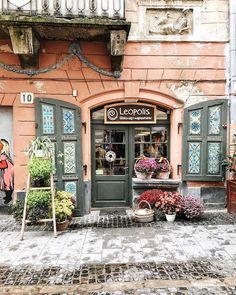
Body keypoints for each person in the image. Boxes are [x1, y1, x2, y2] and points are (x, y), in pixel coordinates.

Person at [0, 139, 14, 204]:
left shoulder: (3, 155)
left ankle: (9, 198)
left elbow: (4, 165)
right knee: (7, 184)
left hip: (7, 172)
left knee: (7, 184)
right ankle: (8, 196)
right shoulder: (6, 155)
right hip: (7, 171)